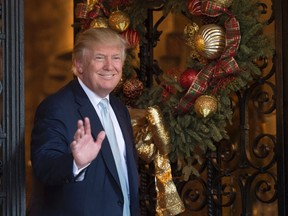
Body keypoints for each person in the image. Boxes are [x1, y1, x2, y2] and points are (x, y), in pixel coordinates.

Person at [29, 28, 140, 216]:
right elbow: (44, 166)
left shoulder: (119, 108)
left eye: (115, 58)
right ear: (79, 65)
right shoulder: (56, 107)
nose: (109, 66)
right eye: (99, 58)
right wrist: (76, 163)